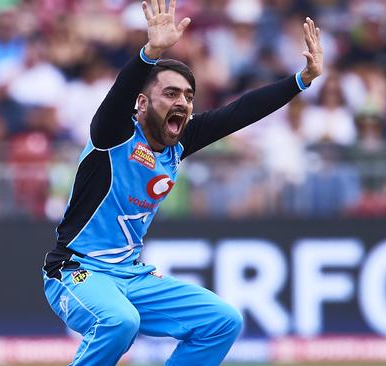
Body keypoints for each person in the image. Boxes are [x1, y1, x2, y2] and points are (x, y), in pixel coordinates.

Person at [41, 1, 323, 365]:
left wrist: (302, 80)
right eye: (171, 94)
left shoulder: (181, 141)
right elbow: (120, 94)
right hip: (75, 270)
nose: (183, 102)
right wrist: (150, 52)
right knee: (119, 322)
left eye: (189, 96)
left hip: (130, 276)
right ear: (142, 104)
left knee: (221, 321)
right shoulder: (114, 134)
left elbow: (240, 112)